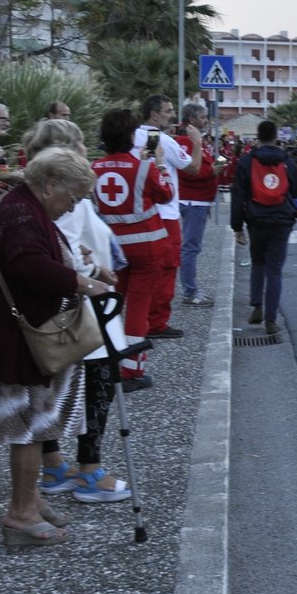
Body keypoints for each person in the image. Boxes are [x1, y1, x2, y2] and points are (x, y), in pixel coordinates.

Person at [0, 147, 114, 547]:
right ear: (50, 185)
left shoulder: (22, 207)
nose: (73, 206)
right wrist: (81, 282)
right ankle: (21, 514)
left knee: (36, 421)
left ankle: (29, 500)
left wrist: (69, 259)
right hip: (13, 336)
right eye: (73, 197)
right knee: (27, 426)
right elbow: (28, 265)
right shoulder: (22, 213)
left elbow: (36, 257)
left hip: (15, 332)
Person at [21, 119, 132, 504]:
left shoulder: (28, 194)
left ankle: (53, 466)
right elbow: (73, 253)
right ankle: (89, 470)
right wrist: (92, 272)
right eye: (82, 146)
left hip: (49, 310)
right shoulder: (69, 198)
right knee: (97, 381)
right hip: (82, 308)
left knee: (49, 384)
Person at [93, 108, 174, 391]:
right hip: (146, 248)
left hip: (112, 249)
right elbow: (166, 194)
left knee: (113, 304)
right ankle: (131, 370)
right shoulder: (144, 167)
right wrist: (160, 164)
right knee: (138, 307)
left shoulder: (94, 169)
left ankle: (107, 361)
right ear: (131, 136)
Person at [133, 94, 202, 339]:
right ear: (154, 114)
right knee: (166, 268)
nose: (172, 115)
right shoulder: (162, 140)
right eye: (168, 110)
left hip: (138, 212)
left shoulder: (132, 136)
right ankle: (157, 323)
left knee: (142, 271)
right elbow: (193, 168)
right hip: (164, 213)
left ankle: (139, 321)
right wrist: (197, 143)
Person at [231, 120, 297, 336]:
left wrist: (237, 226)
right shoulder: (287, 160)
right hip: (281, 219)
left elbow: (238, 195)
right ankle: (271, 320)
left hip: (256, 219)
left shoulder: (246, 161)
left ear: (258, 136)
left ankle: (256, 306)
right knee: (274, 270)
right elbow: (294, 189)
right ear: (275, 136)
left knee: (258, 261)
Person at [175, 102, 218, 307]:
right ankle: (190, 292)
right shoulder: (185, 142)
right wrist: (213, 170)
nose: (206, 121)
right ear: (191, 120)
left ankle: (190, 289)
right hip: (192, 201)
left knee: (191, 247)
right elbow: (193, 171)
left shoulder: (195, 141)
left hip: (198, 201)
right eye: (202, 117)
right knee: (190, 248)